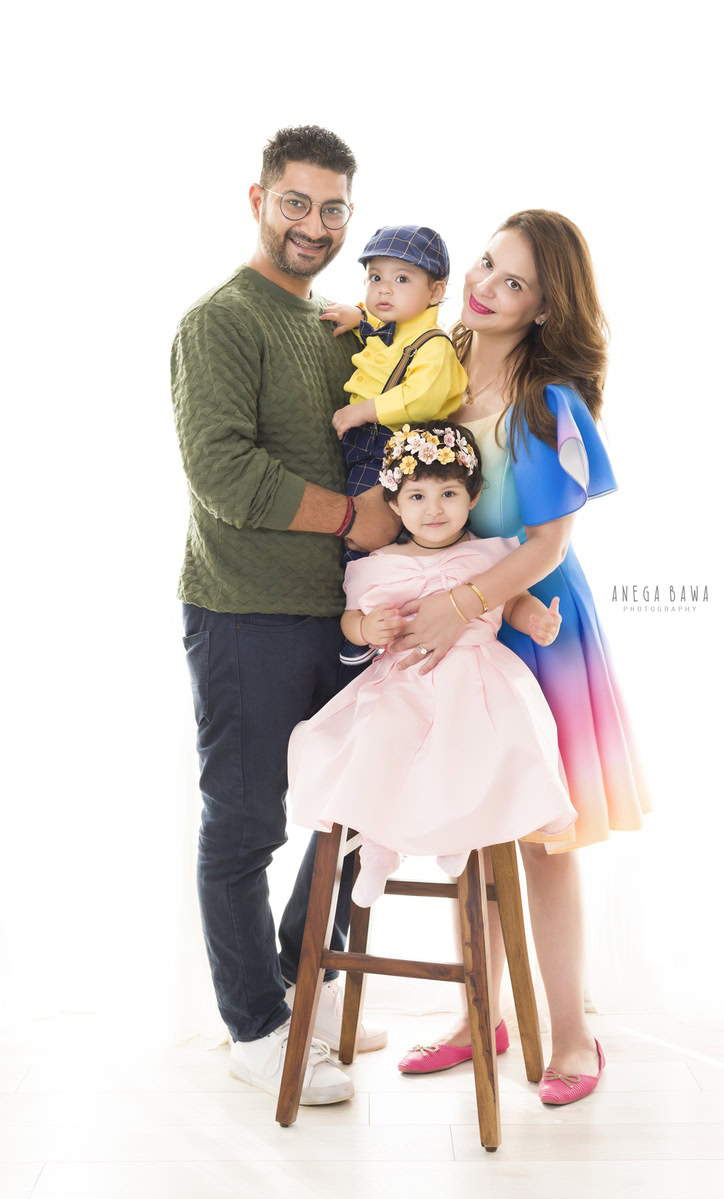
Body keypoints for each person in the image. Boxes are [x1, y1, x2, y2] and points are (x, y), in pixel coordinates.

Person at [391, 210, 651, 1106]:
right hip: (466, 622)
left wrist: (461, 602)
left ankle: (573, 1033)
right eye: (486, 265)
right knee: (473, 832)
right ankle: (480, 1016)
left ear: (545, 309)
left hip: (532, 622)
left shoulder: (549, 403)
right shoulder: (446, 368)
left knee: (544, 838)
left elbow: (544, 544)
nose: (485, 287)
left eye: (513, 282)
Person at [171, 125, 401, 1108]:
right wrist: (355, 516)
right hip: (245, 611)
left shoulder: (328, 327)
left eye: (333, 207)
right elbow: (225, 472)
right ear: (257, 200)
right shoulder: (219, 322)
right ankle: (255, 1024)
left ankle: (292, 984)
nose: (314, 224)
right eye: (296, 202)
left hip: (339, 616)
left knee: (355, 812)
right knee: (246, 823)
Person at [286, 421, 576, 908]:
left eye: (448, 493)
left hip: (476, 670)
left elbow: (516, 598)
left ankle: (458, 834)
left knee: (476, 741)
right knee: (382, 740)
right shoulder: (381, 562)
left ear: (474, 496)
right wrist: (367, 629)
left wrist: (534, 622)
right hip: (405, 676)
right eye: (417, 497)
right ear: (396, 505)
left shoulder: (489, 555)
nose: (434, 508)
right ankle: (379, 849)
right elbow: (351, 619)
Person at [320, 225, 468, 666]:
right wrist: (359, 317)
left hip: (392, 445)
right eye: (375, 277)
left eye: (402, 279)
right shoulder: (391, 329)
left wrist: (363, 411)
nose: (385, 289)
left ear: (436, 291)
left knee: (365, 532)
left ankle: (361, 625)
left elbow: (418, 395)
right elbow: (381, 343)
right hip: (370, 443)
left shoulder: (434, 344)